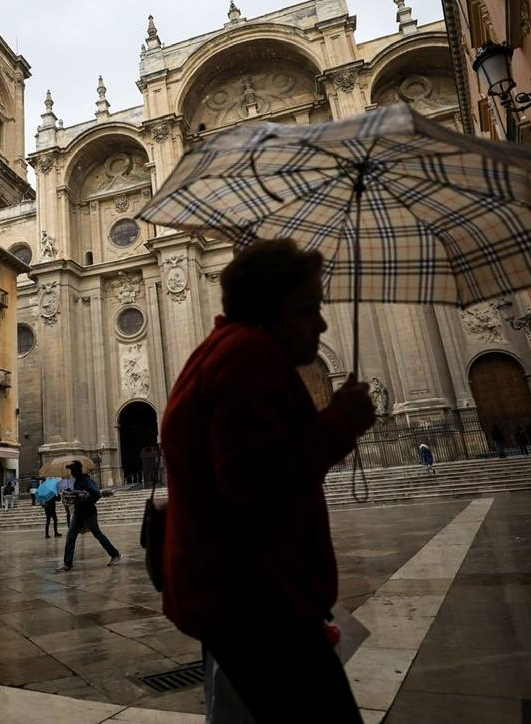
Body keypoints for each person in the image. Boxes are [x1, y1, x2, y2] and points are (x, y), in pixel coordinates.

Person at [159, 238, 376, 723]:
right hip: (257, 604)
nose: (320, 323)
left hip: (242, 596)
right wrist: (341, 421)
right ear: (271, 307)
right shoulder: (246, 358)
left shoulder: (222, 349)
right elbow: (256, 479)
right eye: (308, 310)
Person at [56, 461, 121, 571]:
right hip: (78, 512)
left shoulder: (86, 480)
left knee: (98, 534)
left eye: (73, 470)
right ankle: (67, 564)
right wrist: (71, 494)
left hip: (89, 512)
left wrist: (86, 497)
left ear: (78, 470)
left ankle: (115, 554)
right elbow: (77, 495)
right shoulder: (76, 481)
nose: (71, 472)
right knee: (70, 536)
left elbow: (96, 493)